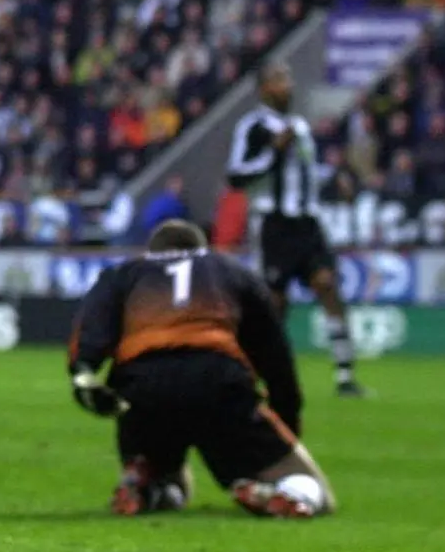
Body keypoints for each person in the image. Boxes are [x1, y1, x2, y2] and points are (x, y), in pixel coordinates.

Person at [68, 219, 337, 519]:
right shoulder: (229, 269)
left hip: (141, 386)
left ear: (151, 252)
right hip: (216, 378)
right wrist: (285, 422)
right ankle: (285, 495)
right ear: (202, 250)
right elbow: (274, 352)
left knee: (172, 480)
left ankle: (147, 488)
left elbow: (89, 332)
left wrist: (83, 373)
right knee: (316, 491)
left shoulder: (123, 274)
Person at [226, 61, 364, 397]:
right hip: (274, 224)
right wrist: (273, 152)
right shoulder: (253, 127)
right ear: (264, 89)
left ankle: (345, 375)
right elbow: (235, 176)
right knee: (275, 304)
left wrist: (334, 180)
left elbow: (305, 171)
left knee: (327, 285)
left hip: (308, 222)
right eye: (279, 79)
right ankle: (257, 374)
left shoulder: (299, 127)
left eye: (288, 78)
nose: (287, 84)